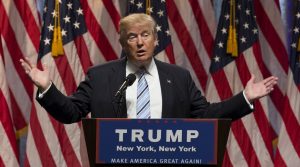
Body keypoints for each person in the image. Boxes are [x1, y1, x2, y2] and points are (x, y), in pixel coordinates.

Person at [20, 13, 278, 124]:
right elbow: (72, 112)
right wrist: (47, 88)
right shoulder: (100, 77)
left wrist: (245, 98)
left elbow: (206, 115)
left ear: (156, 40)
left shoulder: (178, 77)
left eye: (146, 35)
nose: (140, 42)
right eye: (132, 36)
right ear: (123, 42)